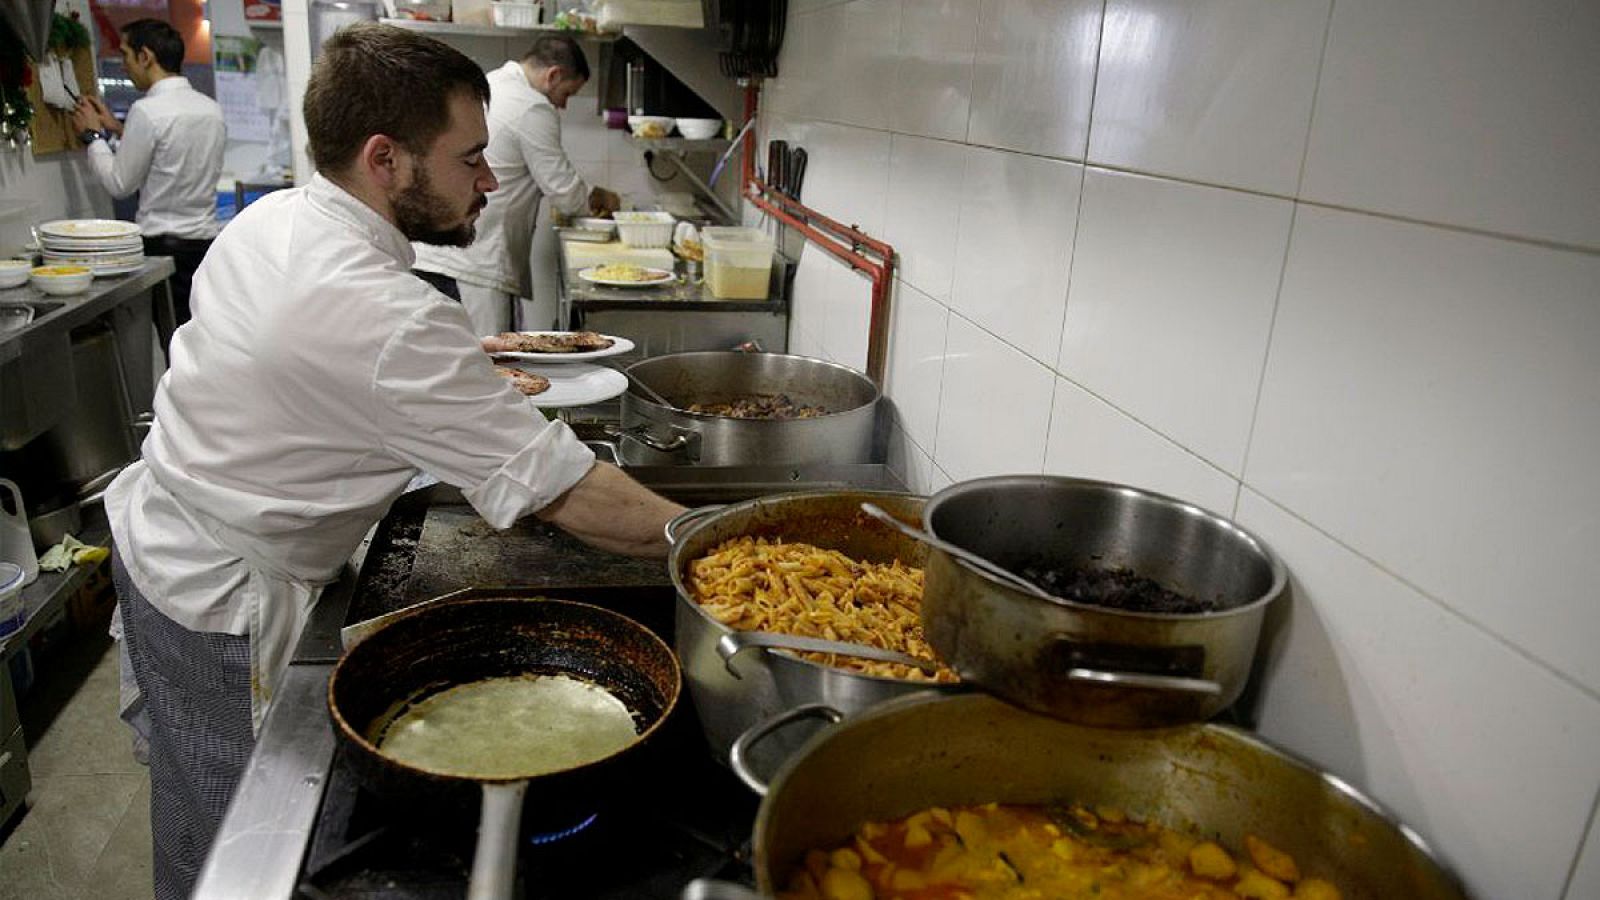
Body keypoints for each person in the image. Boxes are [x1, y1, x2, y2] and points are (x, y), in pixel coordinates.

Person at [102, 23, 684, 899]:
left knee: (189, 817)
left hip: (159, 540)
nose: (489, 180)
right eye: (470, 158)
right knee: (226, 856)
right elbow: (566, 491)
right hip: (218, 601)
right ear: (385, 159)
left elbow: (326, 374)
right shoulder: (387, 316)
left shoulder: (273, 219)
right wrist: (718, 538)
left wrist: (463, 374)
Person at [413, 34, 621, 334]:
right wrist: (603, 198)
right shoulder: (533, 107)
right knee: (487, 357)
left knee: (452, 353)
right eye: (567, 93)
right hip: (475, 264)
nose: (563, 105)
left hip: (441, 257)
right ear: (553, 75)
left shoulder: (494, 83)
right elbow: (566, 194)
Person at [72, 18, 225, 324]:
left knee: (170, 334)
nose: (124, 66)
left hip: (161, 248)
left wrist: (93, 137)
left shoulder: (147, 111)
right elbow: (171, 153)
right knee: (197, 332)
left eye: (126, 55)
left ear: (145, 56)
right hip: (205, 245)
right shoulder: (211, 108)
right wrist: (120, 130)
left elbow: (120, 184)